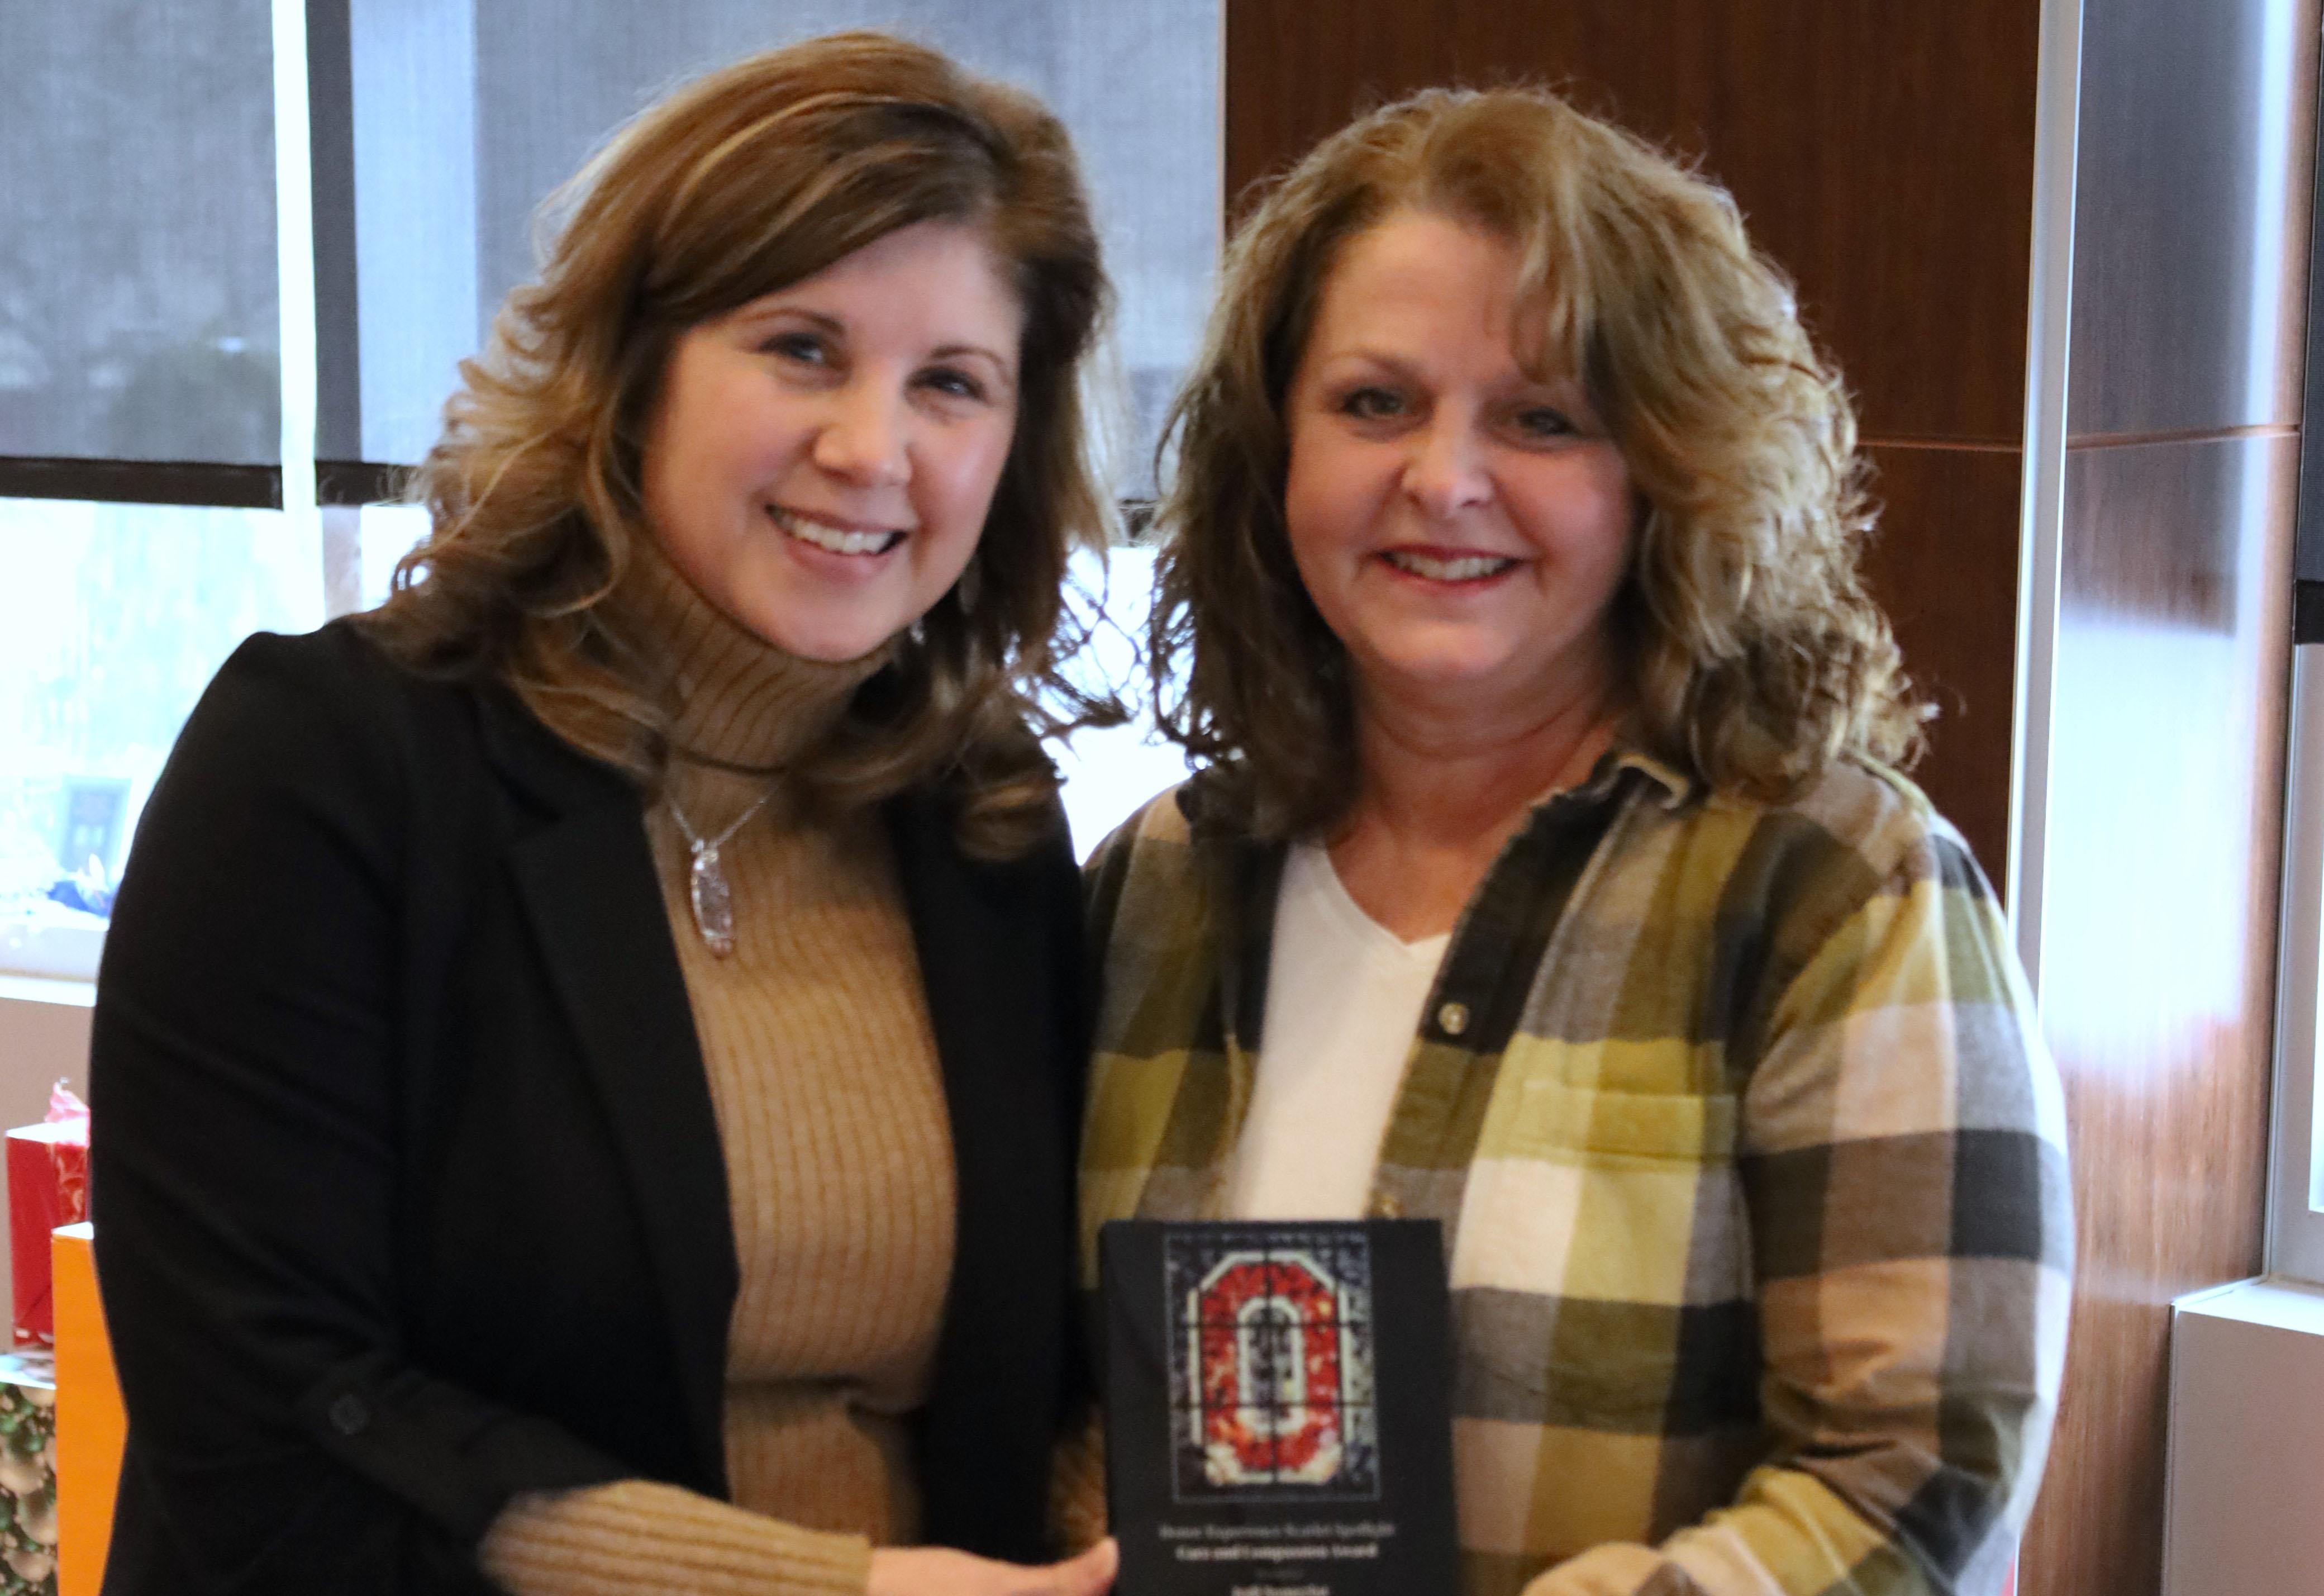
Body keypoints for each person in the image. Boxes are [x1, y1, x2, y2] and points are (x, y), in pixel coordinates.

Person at [92, 32, 1120, 1596]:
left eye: (952, 384)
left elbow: (1034, 1376)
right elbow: (271, 1427)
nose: (873, 450)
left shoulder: (980, 817)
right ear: (631, 370)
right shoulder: (326, 770)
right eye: (801, 348)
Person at [1078, 86, 2070, 1595]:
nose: (1444, 479)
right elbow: (1058, 1397)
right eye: (1374, 403)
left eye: (1543, 420)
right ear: (1270, 451)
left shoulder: (1839, 888)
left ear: (1666, 475)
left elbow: (1920, 1476)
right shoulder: (1156, 885)